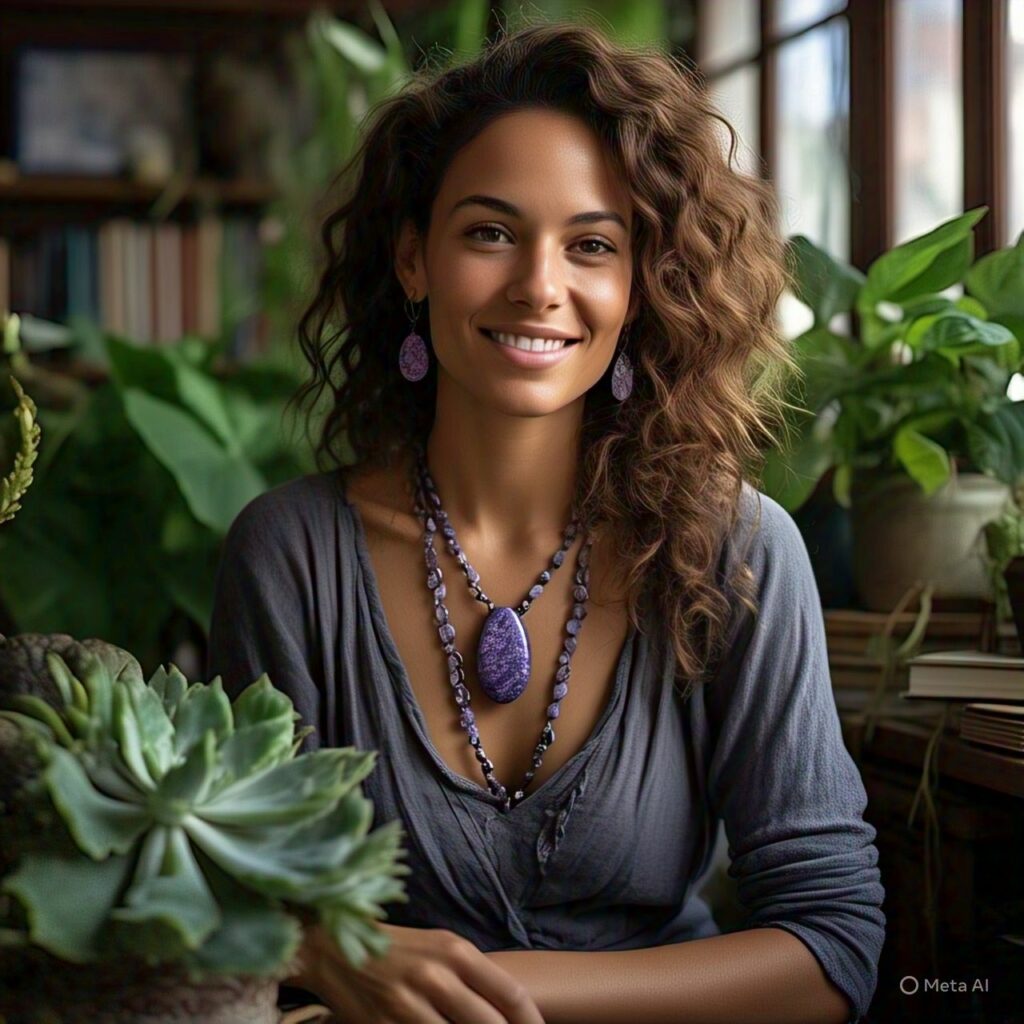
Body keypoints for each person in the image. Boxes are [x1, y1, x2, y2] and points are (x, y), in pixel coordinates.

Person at [207, 21, 885, 1024]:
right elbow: (231, 901)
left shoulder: (738, 551)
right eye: (489, 231)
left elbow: (833, 950)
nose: (539, 284)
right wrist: (318, 946)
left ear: (636, 286)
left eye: (592, 245)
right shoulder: (292, 555)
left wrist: (464, 990)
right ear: (411, 258)